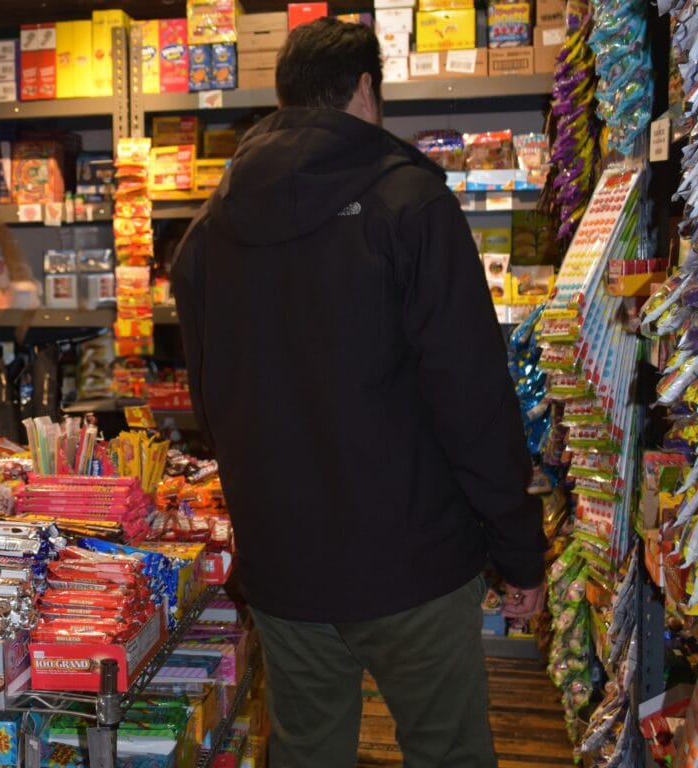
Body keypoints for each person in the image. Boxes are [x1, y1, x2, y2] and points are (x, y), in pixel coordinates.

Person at [170, 17, 547, 768]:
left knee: (308, 753)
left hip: (285, 569)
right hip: (415, 563)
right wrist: (520, 548)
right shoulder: (411, 205)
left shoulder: (210, 231)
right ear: (367, 88)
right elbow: (472, 396)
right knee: (446, 752)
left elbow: (210, 407)